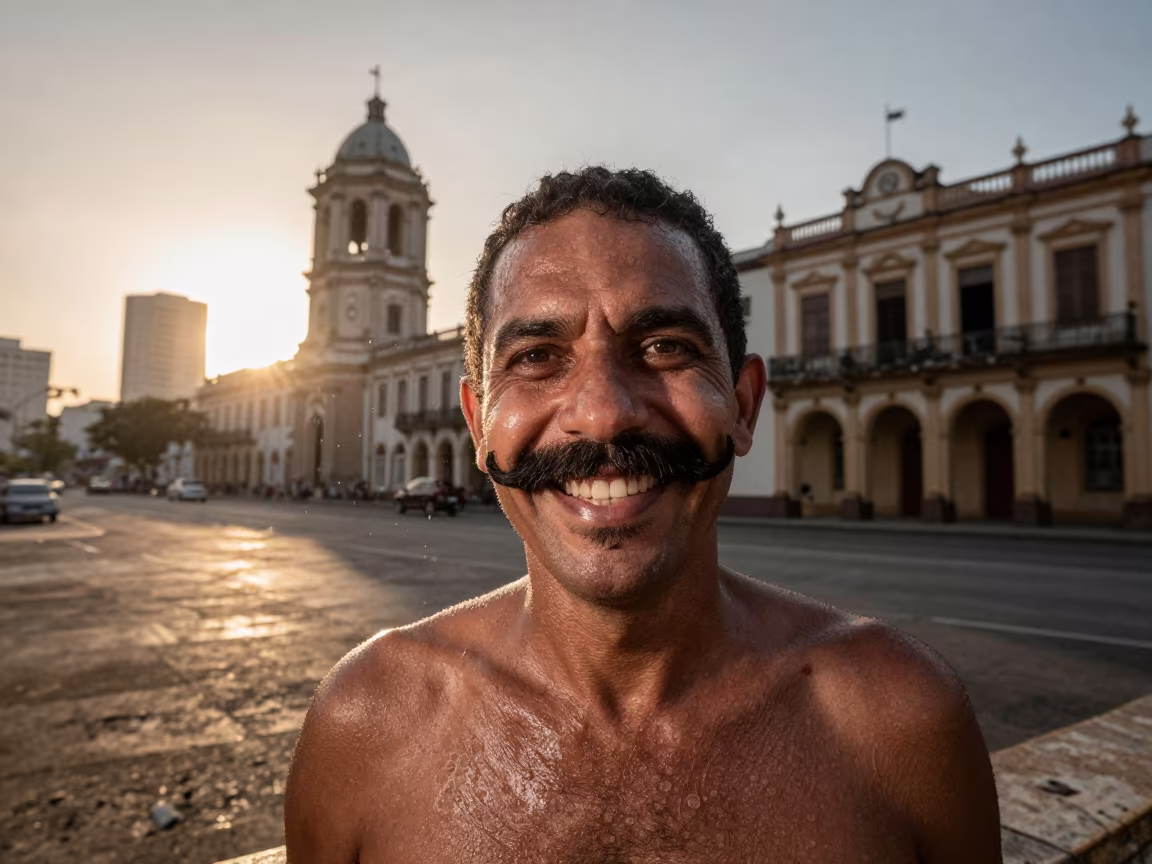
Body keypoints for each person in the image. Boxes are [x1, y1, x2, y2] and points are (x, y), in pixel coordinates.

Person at [285, 167, 1002, 862]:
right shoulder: (365, 723)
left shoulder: (904, 721)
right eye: (536, 356)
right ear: (478, 425)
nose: (602, 416)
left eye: (665, 347)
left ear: (744, 406)